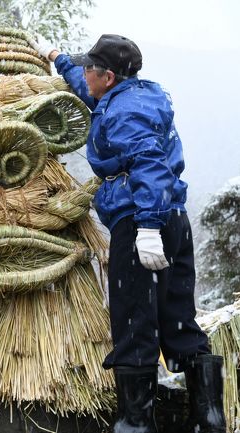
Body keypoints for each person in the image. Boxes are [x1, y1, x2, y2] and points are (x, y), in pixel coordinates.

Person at [31, 34, 226, 432]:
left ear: (107, 76)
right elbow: (88, 93)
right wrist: (55, 57)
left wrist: (148, 227)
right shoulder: (132, 97)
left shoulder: (124, 114)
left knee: (134, 319)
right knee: (177, 316)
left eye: (89, 68)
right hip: (174, 217)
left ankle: (136, 424)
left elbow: (149, 162)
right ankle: (208, 418)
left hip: (141, 219)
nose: (83, 74)